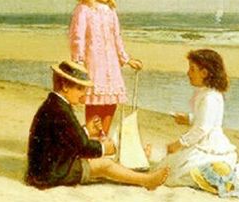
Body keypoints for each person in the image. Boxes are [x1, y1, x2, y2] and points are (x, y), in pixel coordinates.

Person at [25, 60, 169, 190]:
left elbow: (67, 139)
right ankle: (146, 180)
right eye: (80, 89)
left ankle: (138, 177)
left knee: (100, 163)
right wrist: (104, 148)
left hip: (44, 169)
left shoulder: (54, 104)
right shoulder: (62, 111)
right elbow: (82, 147)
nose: (83, 94)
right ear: (65, 86)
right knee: (104, 165)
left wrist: (86, 130)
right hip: (52, 174)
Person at [69, 0, 143, 137]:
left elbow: (117, 37)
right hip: (93, 63)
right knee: (95, 103)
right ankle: (91, 139)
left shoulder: (110, 11)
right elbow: (76, 37)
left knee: (110, 103)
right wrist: (78, 61)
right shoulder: (83, 9)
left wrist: (125, 59)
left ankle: (103, 137)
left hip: (111, 65)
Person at [157, 49, 239, 187]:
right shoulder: (207, 93)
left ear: (204, 73)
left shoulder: (209, 97)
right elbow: (206, 118)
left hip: (209, 144)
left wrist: (179, 143)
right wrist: (189, 119)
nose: (188, 73)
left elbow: (203, 127)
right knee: (172, 166)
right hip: (203, 139)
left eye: (192, 69)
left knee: (176, 172)